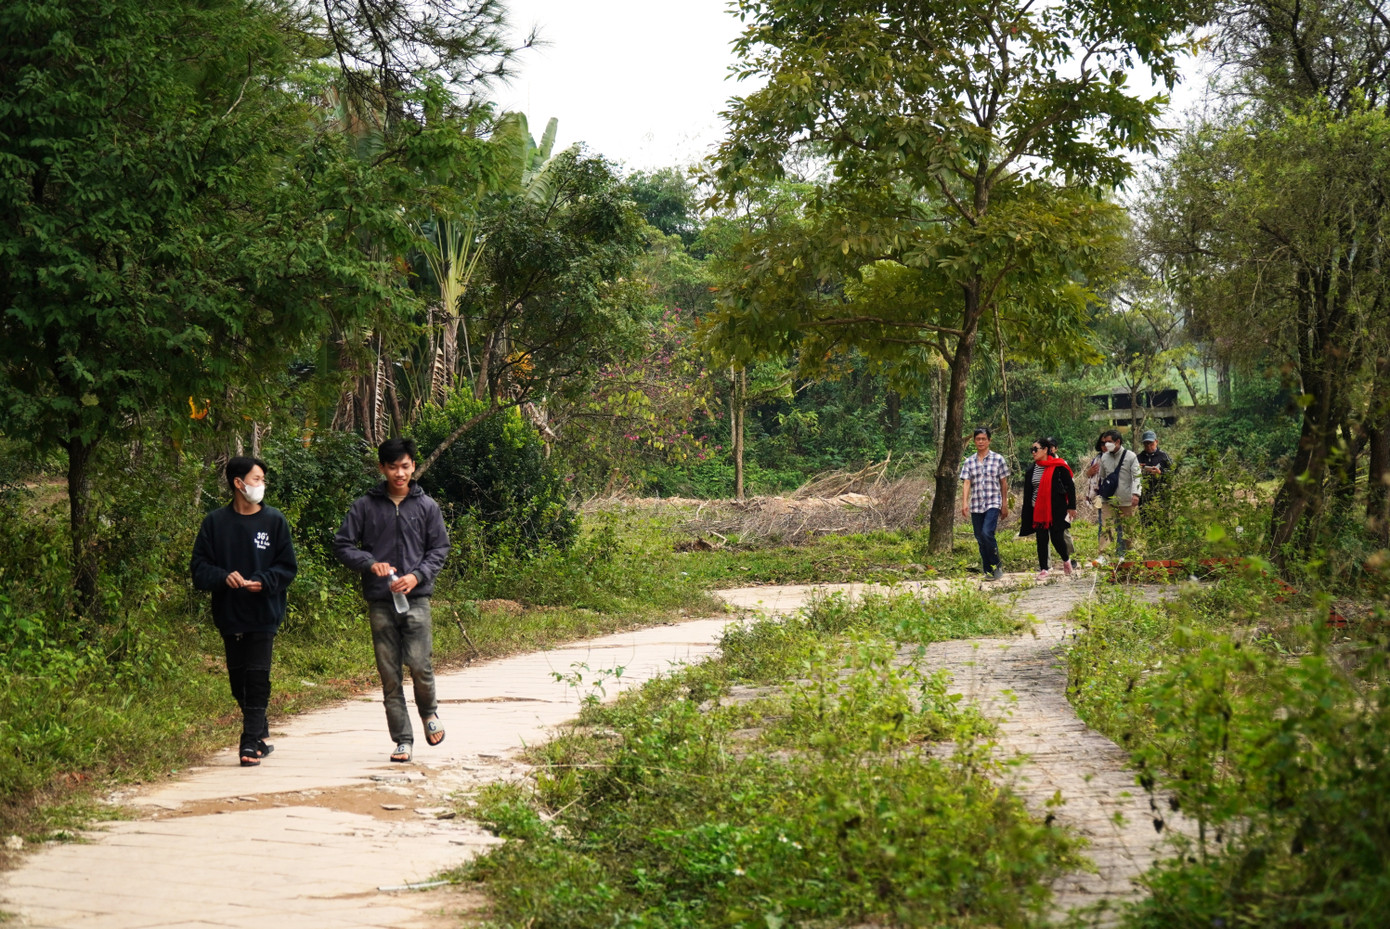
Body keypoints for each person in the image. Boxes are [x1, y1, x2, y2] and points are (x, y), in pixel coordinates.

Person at [334, 438, 450, 763]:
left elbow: (439, 548)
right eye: (393, 467)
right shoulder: (365, 506)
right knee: (389, 675)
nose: (400, 473)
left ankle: (429, 713)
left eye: (405, 466)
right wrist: (369, 562)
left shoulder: (427, 507)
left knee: (419, 664)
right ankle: (403, 740)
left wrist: (417, 576)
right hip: (380, 601)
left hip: (417, 599)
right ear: (382, 468)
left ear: (413, 466)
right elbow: (342, 544)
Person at [190, 457, 298, 767]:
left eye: (262, 479)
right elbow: (199, 569)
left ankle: (249, 741)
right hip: (229, 612)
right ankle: (260, 730)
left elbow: (287, 567)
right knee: (238, 681)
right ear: (239, 483)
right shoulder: (214, 522)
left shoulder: (275, 521)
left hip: (264, 611)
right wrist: (224, 577)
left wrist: (264, 581)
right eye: (257, 478)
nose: (261, 485)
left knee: (257, 675)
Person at [1019, 437, 1078, 580]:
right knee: (1041, 538)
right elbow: (1029, 491)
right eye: (1031, 450)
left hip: (1056, 508)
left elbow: (1070, 486)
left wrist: (1072, 507)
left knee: (1057, 538)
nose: (1033, 452)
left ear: (1045, 450)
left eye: (1035, 449)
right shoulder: (1031, 470)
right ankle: (1044, 568)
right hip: (1037, 509)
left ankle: (1066, 560)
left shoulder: (1058, 466)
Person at [958, 427, 1010, 580]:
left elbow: (1003, 482)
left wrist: (1004, 503)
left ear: (989, 440)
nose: (980, 442)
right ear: (974, 441)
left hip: (993, 502)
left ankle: (996, 564)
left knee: (987, 533)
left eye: (983, 439)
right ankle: (988, 570)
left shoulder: (998, 459)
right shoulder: (969, 461)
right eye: (978, 439)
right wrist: (964, 502)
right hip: (976, 504)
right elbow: (967, 482)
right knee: (980, 537)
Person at [1086, 428, 1142, 557]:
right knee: (1106, 527)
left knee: (1128, 530)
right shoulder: (1104, 457)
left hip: (1127, 500)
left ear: (1118, 442)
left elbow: (1137, 477)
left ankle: (1128, 555)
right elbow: (1103, 477)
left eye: (1109, 442)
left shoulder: (1131, 456)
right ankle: (1103, 556)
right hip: (1109, 500)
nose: (1106, 445)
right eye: (1105, 442)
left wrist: (1136, 494)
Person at [1137, 429, 1173, 523]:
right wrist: (1138, 470)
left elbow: (1173, 472)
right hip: (1144, 495)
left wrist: (1161, 473)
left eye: (1151, 443)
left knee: (1162, 520)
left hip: (1161, 494)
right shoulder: (1139, 457)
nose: (1148, 446)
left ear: (1156, 442)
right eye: (1146, 444)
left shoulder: (1163, 456)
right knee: (1145, 521)